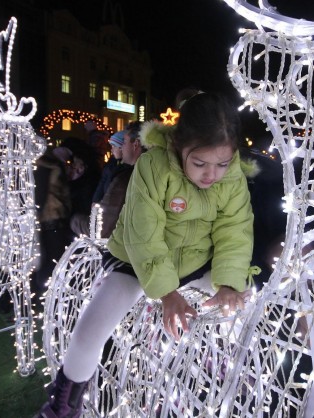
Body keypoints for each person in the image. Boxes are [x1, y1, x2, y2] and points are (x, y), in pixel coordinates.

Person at [36, 92, 258, 418]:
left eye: (222, 164)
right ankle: (62, 405)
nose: (212, 175)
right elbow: (145, 234)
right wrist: (166, 291)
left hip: (197, 262)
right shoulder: (152, 167)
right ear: (179, 146)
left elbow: (235, 231)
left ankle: (236, 385)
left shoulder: (234, 178)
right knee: (91, 329)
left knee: (239, 307)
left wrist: (228, 283)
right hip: (135, 259)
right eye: (200, 163)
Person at [70, 123, 145, 238]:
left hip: (125, 249)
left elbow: (101, 229)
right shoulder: (149, 171)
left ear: (136, 144)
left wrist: (74, 221)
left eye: (124, 142)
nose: (121, 147)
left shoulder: (124, 178)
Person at [31, 147, 74, 309]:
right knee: (51, 262)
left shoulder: (41, 167)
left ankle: (44, 300)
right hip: (53, 220)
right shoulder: (50, 167)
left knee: (47, 262)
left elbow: (40, 197)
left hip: (46, 221)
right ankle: (47, 300)